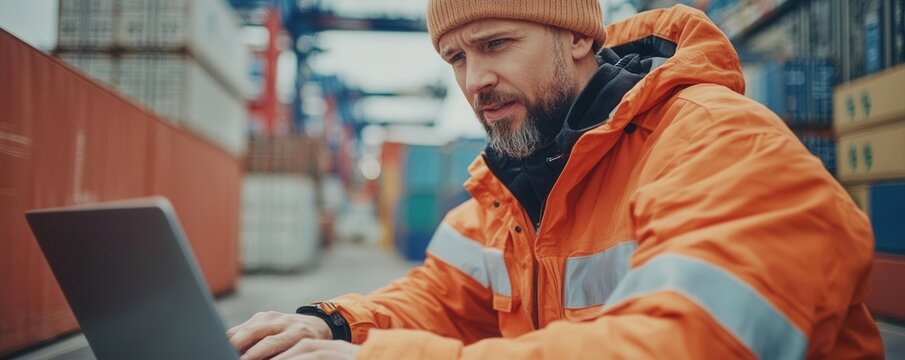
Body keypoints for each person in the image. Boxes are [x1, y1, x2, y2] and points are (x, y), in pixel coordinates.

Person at [226, 2, 885, 359]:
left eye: (494, 45)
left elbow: (685, 345)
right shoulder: (511, 183)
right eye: (455, 57)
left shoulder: (722, 143)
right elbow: (441, 299)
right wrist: (334, 326)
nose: (472, 81)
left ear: (575, 39)